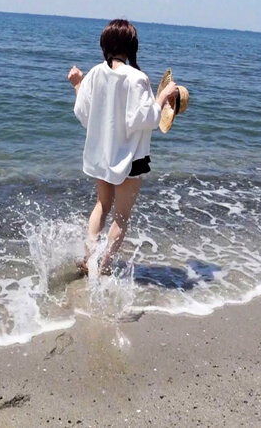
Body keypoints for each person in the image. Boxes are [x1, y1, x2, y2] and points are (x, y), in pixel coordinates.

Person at [67, 19, 179, 275]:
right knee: (121, 215)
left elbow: (83, 113)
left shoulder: (94, 73)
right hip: (131, 157)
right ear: (131, 47)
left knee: (101, 205)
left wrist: (77, 84)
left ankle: (88, 260)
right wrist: (163, 96)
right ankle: (105, 266)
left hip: (104, 154)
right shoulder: (137, 78)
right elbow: (146, 119)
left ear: (105, 45)